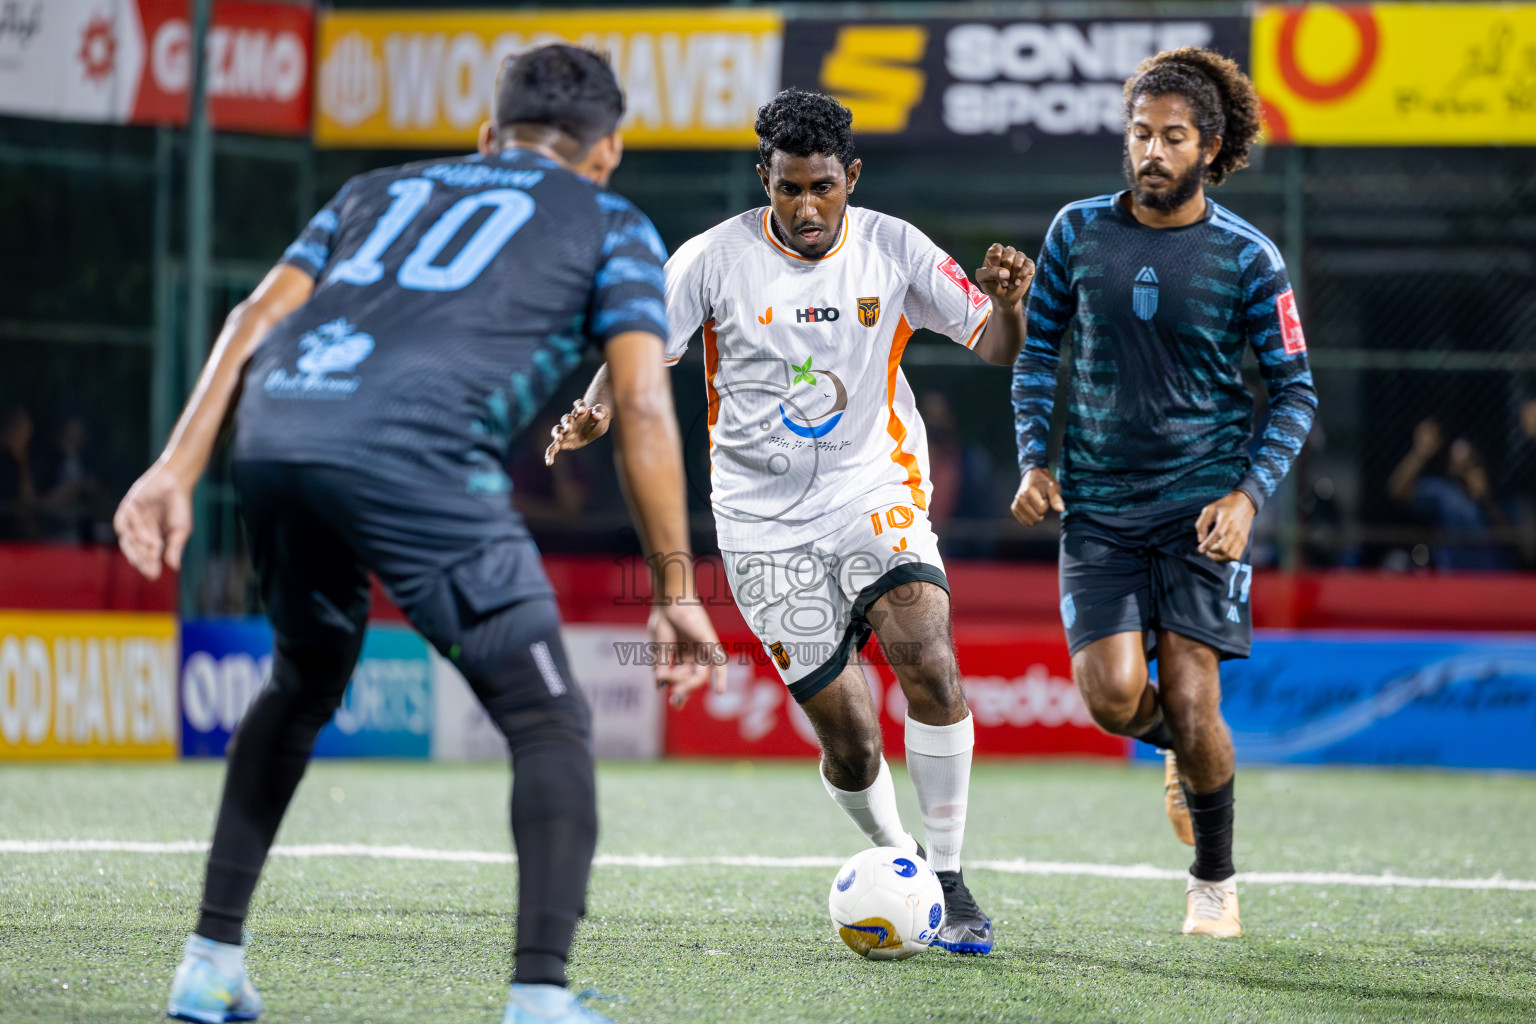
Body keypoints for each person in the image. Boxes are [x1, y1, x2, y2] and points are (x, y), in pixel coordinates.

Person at [114, 45, 724, 1024]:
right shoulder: (614, 223)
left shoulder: (373, 190)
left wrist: (174, 470)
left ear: (489, 137)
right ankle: (538, 996)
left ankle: (209, 962)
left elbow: (250, 318)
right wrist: (675, 589)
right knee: (547, 720)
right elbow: (645, 411)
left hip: (276, 429)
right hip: (417, 455)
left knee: (305, 678)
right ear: (607, 152)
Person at [548, 89, 1033, 954]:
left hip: (871, 487)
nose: (806, 208)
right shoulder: (708, 260)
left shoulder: (893, 247)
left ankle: (952, 883)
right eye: (787, 190)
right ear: (762, 179)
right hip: (760, 525)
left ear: (851, 176)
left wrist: (1011, 305)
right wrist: (594, 413)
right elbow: (635, 354)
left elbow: (996, 347)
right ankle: (902, 859)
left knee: (926, 649)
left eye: (822, 187)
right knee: (848, 741)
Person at [1009, 48, 1317, 938]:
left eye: (1172, 137)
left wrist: (1250, 496)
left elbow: (1294, 390)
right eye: (1140, 133)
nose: (1151, 150)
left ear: (1210, 148)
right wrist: (1037, 460)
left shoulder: (1249, 257)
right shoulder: (1075, 232)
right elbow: (1037, 354)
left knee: (1190, 696)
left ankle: (1213, 881)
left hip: (1200, 512)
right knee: (1109, 698)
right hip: (1099, 508)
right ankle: (1184, 755)